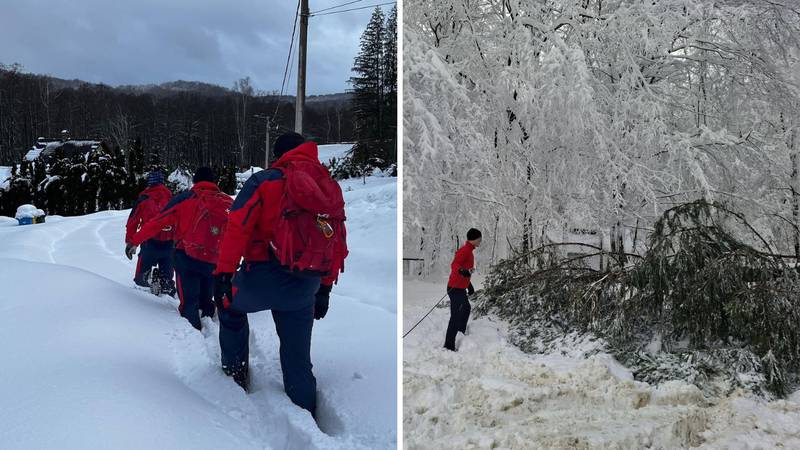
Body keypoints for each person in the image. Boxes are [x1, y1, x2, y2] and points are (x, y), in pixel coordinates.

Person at [213, 132, 348, 416]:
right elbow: (337, 241)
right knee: (297, 357)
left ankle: (235, 374)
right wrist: (324, 288)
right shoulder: (327, 185)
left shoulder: (265, 181)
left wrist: (224, 274)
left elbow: (237, 227)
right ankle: (305, 410)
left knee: (229, 307)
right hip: (306, 285)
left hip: (261, 277)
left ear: (280, 155)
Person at [130, 167, 232, 331]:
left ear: (195, 181)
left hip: (187, 258)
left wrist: (134, 241)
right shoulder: (228, 202)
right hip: (214, 260)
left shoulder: (184, 199)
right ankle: (209, 319)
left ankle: (194, 335)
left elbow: (158, 222)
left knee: (189, 301)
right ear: (214, 182)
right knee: (206, 298)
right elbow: (242, 230)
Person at [125, 170, 175, 295]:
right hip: (169, 243)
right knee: (167, 283)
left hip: (149, 242)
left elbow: (133, 221)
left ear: (149, 183)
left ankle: (147, 286)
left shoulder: (143, 198)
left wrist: (130, 241)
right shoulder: (172, 198)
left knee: (141, 281)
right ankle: (165, 289)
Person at [444, 228, 481, 351]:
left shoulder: (469, 251)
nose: (480, 241)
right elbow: (454, 265)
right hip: (455, 288)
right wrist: (461, 270)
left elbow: (466, 271)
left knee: (466, 309)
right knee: (456, 316)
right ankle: (449, 345)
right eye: (479, 239)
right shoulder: (464, 251)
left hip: (461, 288)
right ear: (474, 239)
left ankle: (460, 332)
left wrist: (469, 285)